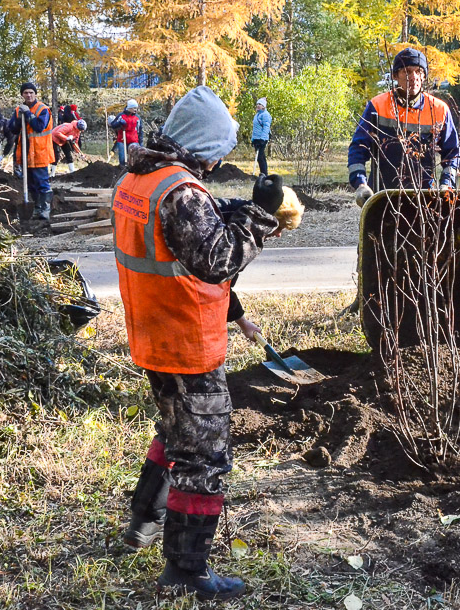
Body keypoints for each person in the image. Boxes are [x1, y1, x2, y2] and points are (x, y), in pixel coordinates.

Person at [115, 86, 290, 601]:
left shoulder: (138, 178)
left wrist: (232, 211)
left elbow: (179, 247)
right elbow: (217, 260)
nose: (217, 161)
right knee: (204, 458)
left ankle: (143, 523)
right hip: (187, 342)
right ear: (201, 142)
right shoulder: (182, 192)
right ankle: (186, 570)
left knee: (175, 434)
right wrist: (259, 215)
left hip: (154, 334)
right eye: (217, 149)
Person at [347, 47, 460, 206]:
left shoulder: (439, 110)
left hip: (424, 197)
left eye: (418, 71)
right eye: (406, 72)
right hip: (381, 195)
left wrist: (446, 185)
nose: (413, 77)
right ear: (395, 76)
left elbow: (452, 154)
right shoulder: (377, 106)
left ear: (424, 76)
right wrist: (360, 184)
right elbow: (358, 148)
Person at [8, 82, 55, 220]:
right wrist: (19, 119)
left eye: (31, 92)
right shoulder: (18, 110)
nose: (28, 95)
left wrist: (28, 114)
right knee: (31, 184)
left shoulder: (43, 109)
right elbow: (13, 129)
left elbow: (39, 127)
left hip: (40, 152)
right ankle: (37, 207)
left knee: (42, 182)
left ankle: (45, 209)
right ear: (22, 94)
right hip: (26, 154)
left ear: (35, 94)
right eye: (26, 93)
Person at [110, 99, 143, 167]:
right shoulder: (121, 116)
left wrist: (141, 142)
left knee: (134, 157)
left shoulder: (137, 118)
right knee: (122, 158)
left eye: (136, 108)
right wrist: (119, 123)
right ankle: (122, 169)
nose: (135, 110)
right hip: (122, 140)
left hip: (133, 140)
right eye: (134, 108)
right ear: (129, 108)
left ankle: (133, 169)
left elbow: (140, 130)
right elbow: (113, 125)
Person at [251, 98, 271, 175]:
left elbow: (266, 127)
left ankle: (264, 174)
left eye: (260, 104)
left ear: (263, 106)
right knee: (260, 157)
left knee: (260, 156)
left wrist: (262, 139)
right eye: (257, 104)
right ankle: (263, 173)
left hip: (262, 139)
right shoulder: (257, 115)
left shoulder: (265, 115)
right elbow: (255, 128)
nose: (258, 105)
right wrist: (253, 139)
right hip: (256, 138)